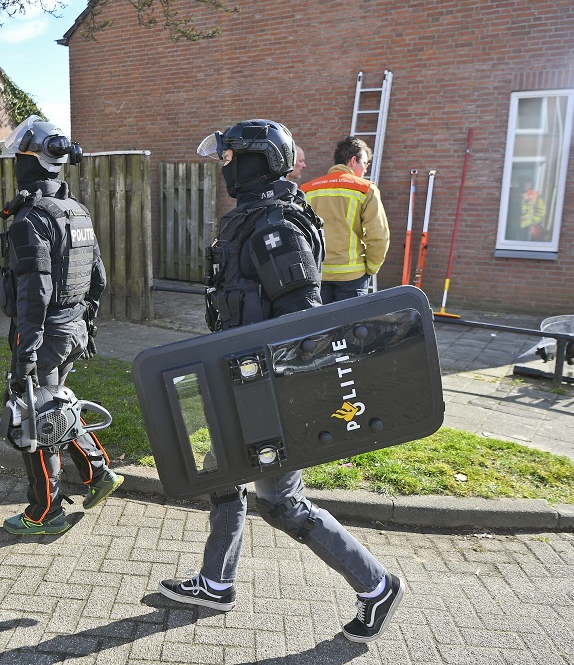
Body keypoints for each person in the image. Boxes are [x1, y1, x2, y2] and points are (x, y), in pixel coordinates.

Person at [159, 119, 405, 643]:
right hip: (241, 382)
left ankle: (377, 584)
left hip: (271, 394)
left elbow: (302, 328)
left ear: (257, 159)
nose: (224, 167)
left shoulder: (278, 228)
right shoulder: (251, 218)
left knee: (280, 503)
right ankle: (216, 582)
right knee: (222, 476)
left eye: (229, 157)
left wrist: (289, 409)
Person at [0, 115, 124, 536]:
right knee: (56, 405)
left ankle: (45, 513)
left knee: (33, 419)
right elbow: (98, 279)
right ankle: (98, 472)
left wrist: (26, 355)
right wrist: (84, 322)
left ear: (29, 161)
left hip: (45, 336)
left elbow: (35, 296)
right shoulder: (77, 212)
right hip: (73, 331)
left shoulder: (30, 221)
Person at [300, 136, 390, 302]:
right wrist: (371, 268)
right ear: (353, 161)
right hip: (352, 276)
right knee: (351, 319)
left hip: (318, 272)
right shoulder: (366, 190)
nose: (365, 170)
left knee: (321, 319)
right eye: (365, 164)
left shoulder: (307, 190)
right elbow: (379, 236)